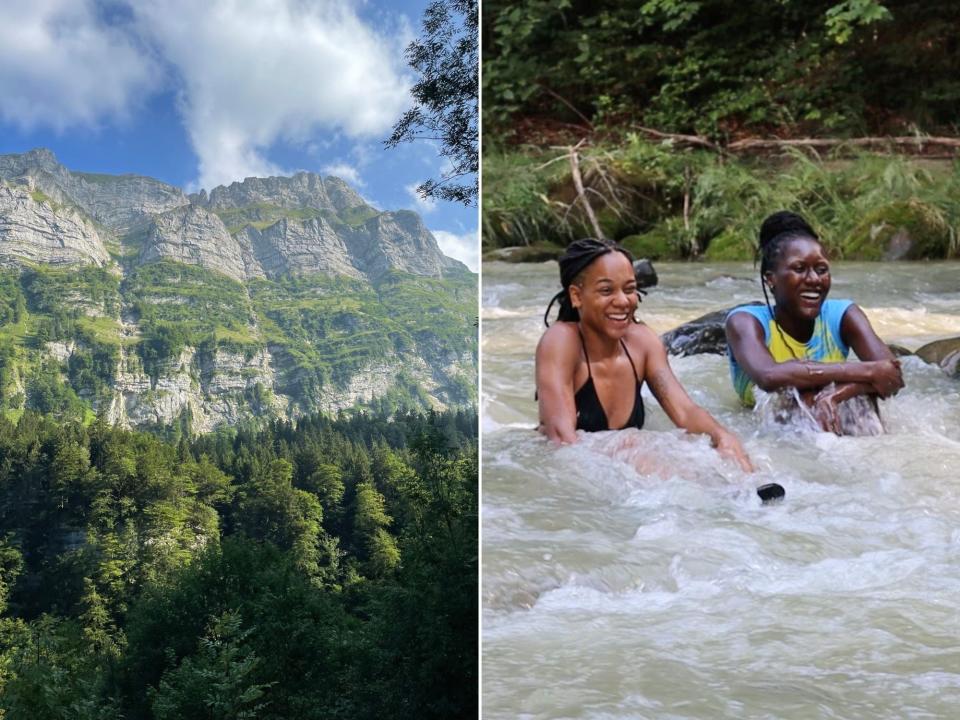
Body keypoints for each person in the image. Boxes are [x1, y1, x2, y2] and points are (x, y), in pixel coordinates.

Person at [535, 238, 753, 472]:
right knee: (635, 444)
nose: (623, 301)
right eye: (606, 290)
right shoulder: (561, 341)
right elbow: (563, 442)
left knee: (715, 453)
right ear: (577, 296)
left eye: (629, 289)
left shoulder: (642, 342)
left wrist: (722, 438)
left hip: (619, 472)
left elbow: (686, 412)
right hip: (565, 473)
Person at [724, 210, 904, 434]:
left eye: (821, 270)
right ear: (770, 279)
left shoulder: (842, 314)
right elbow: (769, 376)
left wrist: (837, 395)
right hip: (772, 436)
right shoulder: (745, 321)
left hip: (840, 423)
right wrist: (866, 371)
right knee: (795, 399)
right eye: (799, 269)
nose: (813, 280)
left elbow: (892, 376)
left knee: (857, 402)